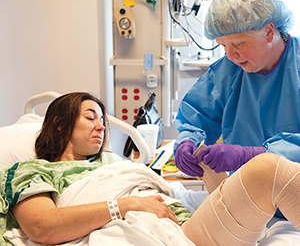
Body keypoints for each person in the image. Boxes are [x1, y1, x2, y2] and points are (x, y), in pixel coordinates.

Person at [3, 92, 300, 246]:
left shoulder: (117, 164)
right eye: (91, 117)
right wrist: (128, 204)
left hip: (185, 229)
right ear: (59, 122)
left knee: (266, 174)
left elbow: (172, 196)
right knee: (267, 170)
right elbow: (42, 227)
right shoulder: (31, 170)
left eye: (102, 120)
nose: (101, 126)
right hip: (154, 235)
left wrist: (207, 166)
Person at [174, 0, 300, 179]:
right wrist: (187, 142)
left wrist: (250, 155)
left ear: (269, 32)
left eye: (238, 44)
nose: (231, 55)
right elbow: (197, 117)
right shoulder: (227, 72)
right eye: (223, 46)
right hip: (246, 193)